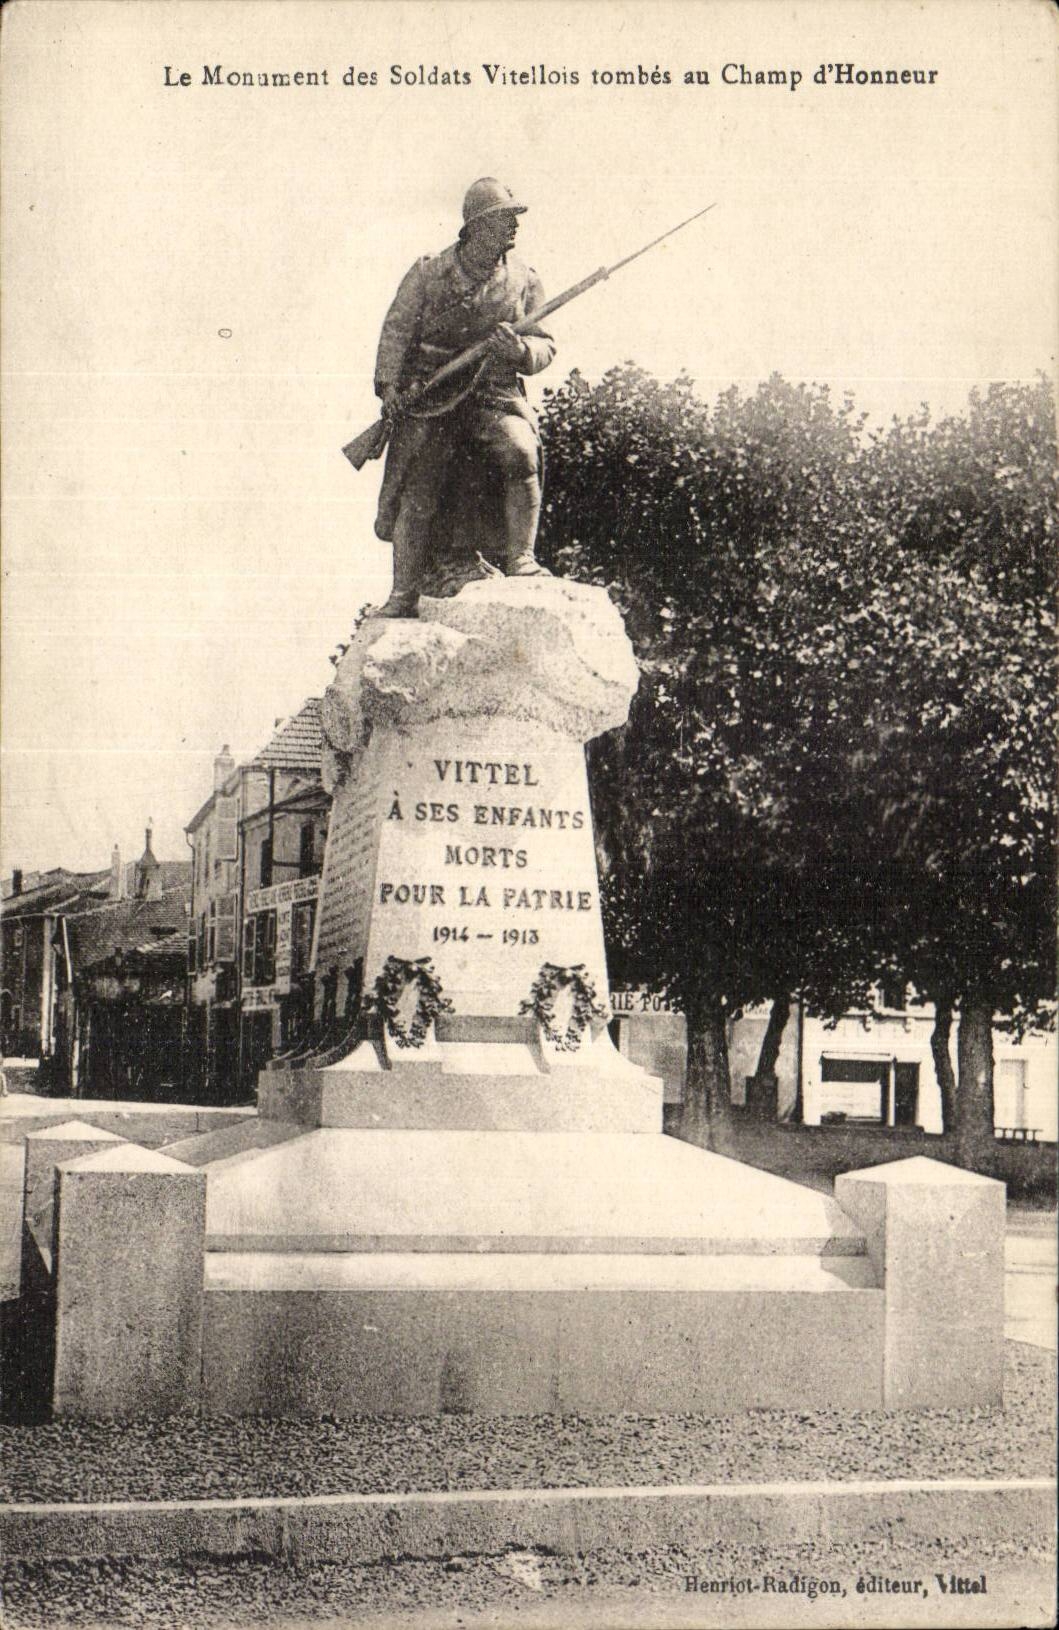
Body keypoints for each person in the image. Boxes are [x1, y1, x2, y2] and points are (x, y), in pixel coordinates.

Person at [372, 178, 556, 617]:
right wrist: (392, 390)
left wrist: (520, 351)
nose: (514, 228)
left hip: (492, 392)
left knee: (521, 452)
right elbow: (396, 332)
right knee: (420, 481)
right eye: (505, 219)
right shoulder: (428, 273)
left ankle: (521, 559)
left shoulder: (524, 281)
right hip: (432, 395)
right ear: (477, 227)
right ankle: (403, 593)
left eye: (514, 220)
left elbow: (544, 344)